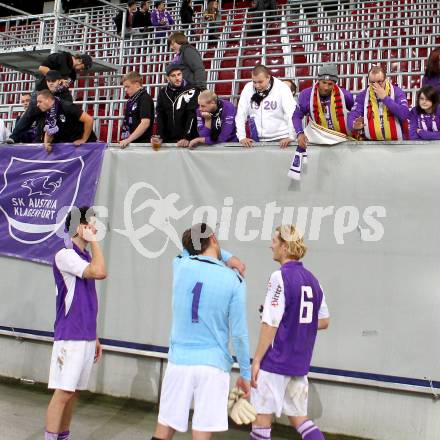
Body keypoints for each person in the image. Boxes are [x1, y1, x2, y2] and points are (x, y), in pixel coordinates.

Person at [151, 222, 250, 440]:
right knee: (202, 432)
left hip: (179, 362)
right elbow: (240, 335)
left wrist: (226, 255)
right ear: (213, 238)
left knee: (165, 428)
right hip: (213, 366)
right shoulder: (234, 280)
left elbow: (186, 250)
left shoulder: (180, 265)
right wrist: (245, 374)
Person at [249, 225, 330, 440]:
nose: (271, 246)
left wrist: (256, 360)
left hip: (275, 362)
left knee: (260, 424)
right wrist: (294, 322)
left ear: (285, 247)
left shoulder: (279, 277)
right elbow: (323, 321)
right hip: (298, 364)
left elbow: (270, 323)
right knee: (301, 421)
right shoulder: (314, 281)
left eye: (274, 242)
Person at [45, 206, 107, 440]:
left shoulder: (85, 256)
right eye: (90, 224)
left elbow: (86, 299)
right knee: (63, 392)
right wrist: (96, 242)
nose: (94, 228)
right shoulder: (65, 255)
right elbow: (100, 272)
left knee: (73, 394)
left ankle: (63, 437)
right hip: (70, 336)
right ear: (79, 227)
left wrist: (95, 336)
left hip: (86, 336)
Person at [7, 52, 91, 144]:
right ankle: (14, 137)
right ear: (80, 60)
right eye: (82, 68)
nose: (81, 71)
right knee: (30, 113)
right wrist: (57, 78)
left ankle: (44, 140)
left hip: (59, 94)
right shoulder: (61, 57)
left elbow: (66, 85)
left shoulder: (73, 74)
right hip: (42, 91)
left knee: (56, 115)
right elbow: (42, 68)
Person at [293, 64, 354, 149]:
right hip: (317, 139)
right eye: (324, 82)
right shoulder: (306, 95)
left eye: (330, 84)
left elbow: (355, 114)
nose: (326, 87)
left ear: (335, 84)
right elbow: (296, 116)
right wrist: (300, 133)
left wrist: (354, 125)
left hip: (339, 140)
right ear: (318, 80)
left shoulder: (345, 95)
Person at [235, 65, 296, 148]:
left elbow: (291, 113)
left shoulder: (282, 88)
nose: (257, 85)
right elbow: (241, 114)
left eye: (260, 82)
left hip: (281, 139)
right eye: (254, 82)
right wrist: (242, 137)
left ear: (268, 77)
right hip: (256, 140)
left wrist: (292, 136)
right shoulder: (248, 88)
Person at [348, 66, 410, 141]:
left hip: (396, 143)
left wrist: (385, 98)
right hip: (372, 143)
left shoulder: (397, 92)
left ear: (386, 79)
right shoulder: (363, 95)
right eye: (372, 82)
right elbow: (353, 114)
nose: (376, 85)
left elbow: (404, 114)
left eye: (379, 82)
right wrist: (354, 124)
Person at [156, 64, 199, 146]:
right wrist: (160, 136)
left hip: (188, 140)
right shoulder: (162, 92)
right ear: (167, 78)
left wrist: (187, 137)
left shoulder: (192, 90)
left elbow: (192, 115)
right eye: (173, 76)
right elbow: (160, 116)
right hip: (169, 139)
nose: (177, 78)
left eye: (179, 74)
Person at [119, 71, 155, 148]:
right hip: (132, 142)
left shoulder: (144, 99)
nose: (125, 90)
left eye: (127, 86)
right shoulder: (132, 99)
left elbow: (145, 123)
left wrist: (128, 139)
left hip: (141, 144)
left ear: (137, 84)